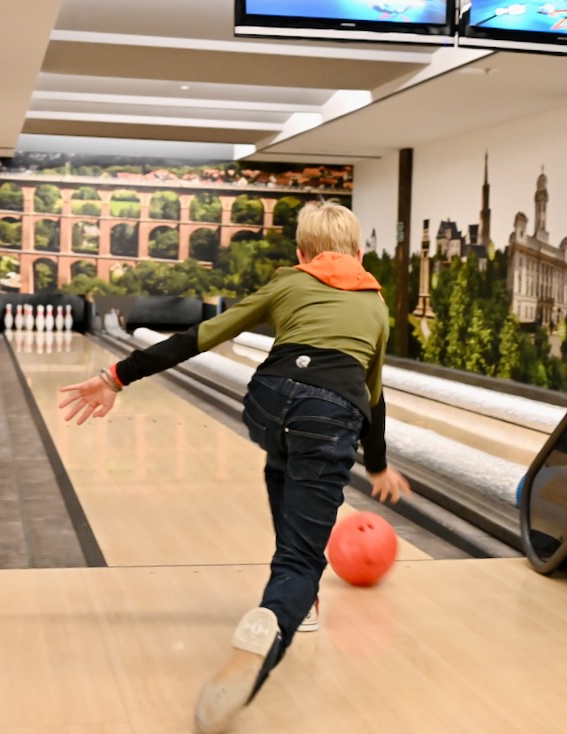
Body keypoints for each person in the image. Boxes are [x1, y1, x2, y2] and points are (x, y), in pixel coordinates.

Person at [57, 201, 410, 733]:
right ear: (360, 256)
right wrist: (378, 466)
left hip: (267, 404)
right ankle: (278, 612)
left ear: (302, 253)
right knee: (300, 561)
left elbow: (203, 336)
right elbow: (373, 399)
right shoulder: (377, 307)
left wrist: (116, 377)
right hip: (329, 415)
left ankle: (298, 597)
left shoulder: (288, 282)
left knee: (282, 459)